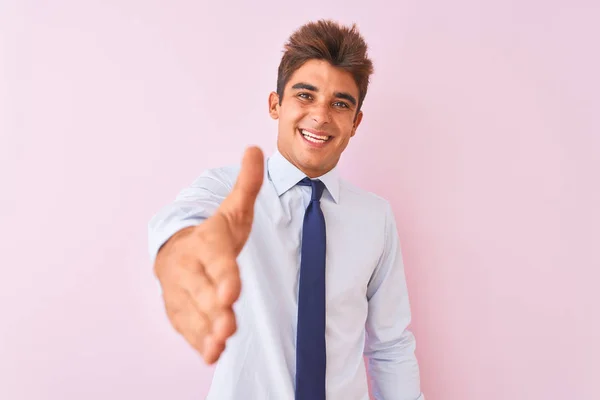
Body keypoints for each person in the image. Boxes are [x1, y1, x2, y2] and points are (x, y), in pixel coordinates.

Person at [148, 19, 424, 400]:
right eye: (305, 95)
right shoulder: (228, 190)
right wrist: (178, 251)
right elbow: (180, 220)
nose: (321, 116)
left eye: (340, 103)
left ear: (355, 122)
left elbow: (390, 345)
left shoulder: (376, 218)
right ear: (275, 104)